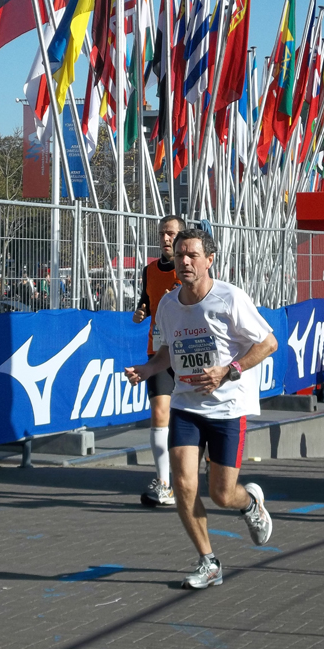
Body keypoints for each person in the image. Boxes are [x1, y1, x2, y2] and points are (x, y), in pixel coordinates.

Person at [125, 229, 277, 589]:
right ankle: (209, 562)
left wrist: (229, 371)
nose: (185, 261)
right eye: (180, 255)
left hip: (228, 408)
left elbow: (268, 343)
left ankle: (249, 503)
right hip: (186, 405)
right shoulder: (167, 305)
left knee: (222, 494)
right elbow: (168, 352)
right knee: (183, 485)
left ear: (209, 260)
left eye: (192, 255)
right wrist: (147, 369)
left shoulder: (230, 298)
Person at [132, 215, 184, 507]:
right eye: (163, 233)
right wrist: (142, 311)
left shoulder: (189, 269)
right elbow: (146, 300)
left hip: (189, 350)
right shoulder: (150, 270)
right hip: (159, 350)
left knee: (195, 414)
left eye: (171, 233)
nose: (166, 238)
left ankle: (206, 459)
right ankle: (164, 484)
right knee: (159, 411)